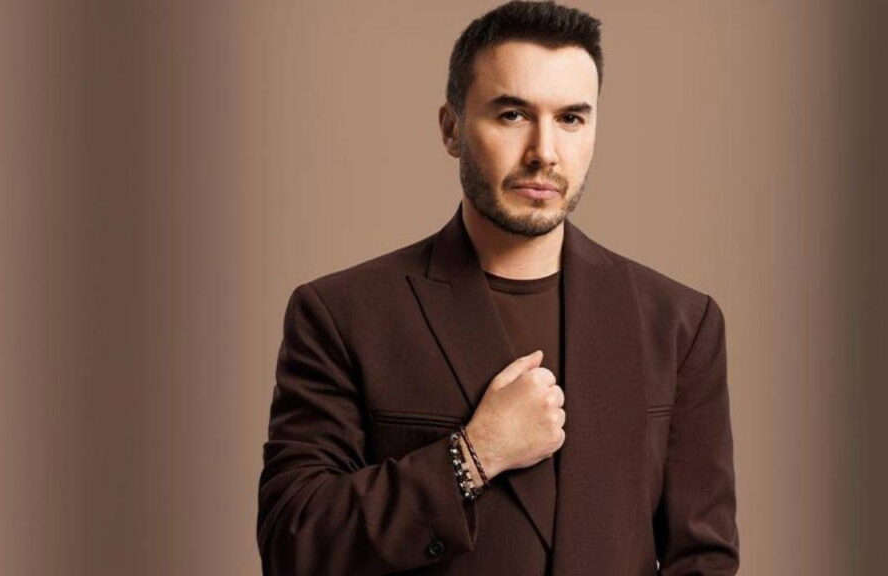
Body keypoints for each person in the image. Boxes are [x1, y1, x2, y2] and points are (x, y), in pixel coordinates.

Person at [256, 1, 739, 574]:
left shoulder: (680, 323)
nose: (544, 153)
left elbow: (702, 560)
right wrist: (473, 455)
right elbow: (293, 541)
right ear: (451, 129)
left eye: (571, 119)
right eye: (512, 115)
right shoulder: (342, 314)